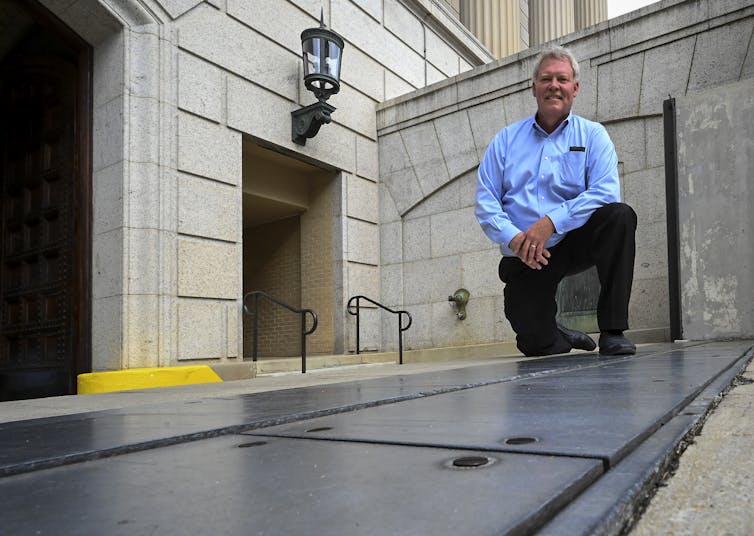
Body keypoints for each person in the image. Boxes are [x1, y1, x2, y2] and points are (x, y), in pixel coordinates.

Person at [475, 45, 637, 357]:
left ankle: (613, 331)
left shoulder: (593, 135)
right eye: (546, 78)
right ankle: (557, 332)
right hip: (525, 253)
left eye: (562, 79)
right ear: (533, 87)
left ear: (575, 89)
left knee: (619, 216)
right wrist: (516, 237)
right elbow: (486, 201)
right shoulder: (505, 141)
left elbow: (605, 192)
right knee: (536, 344)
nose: (554, 85)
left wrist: (551, 222)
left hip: (575, 239)